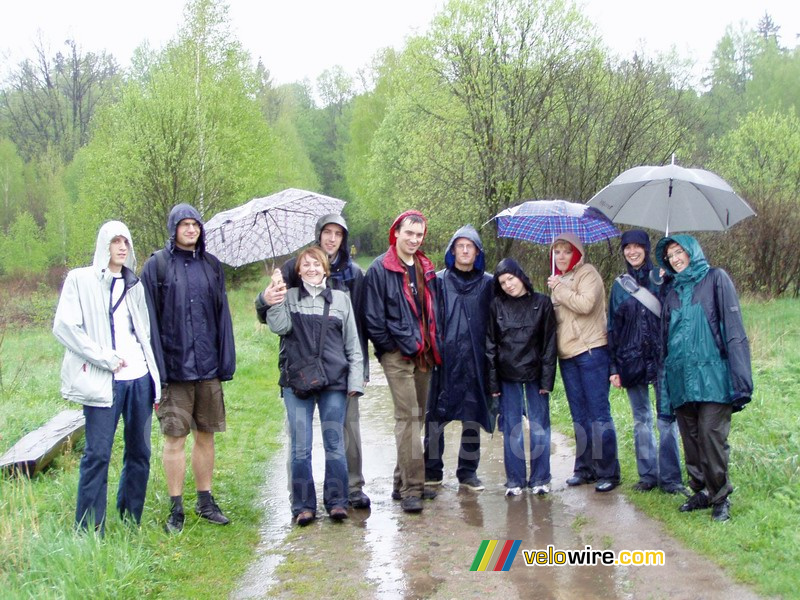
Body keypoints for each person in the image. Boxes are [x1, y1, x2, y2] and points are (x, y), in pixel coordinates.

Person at [53, 221, 161, 534]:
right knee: (98, 454)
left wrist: (154, 378)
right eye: (115, 241)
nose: (122, 247)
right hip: (104, 382)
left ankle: (130, 519)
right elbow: (65, 327)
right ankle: (88, 528)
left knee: (140, 452)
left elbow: (143, 332)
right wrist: (105, 358)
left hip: (139, 379)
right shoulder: (80, 280)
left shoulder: (134, 284)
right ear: (104, 245)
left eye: (126, 241)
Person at [141, 204, 236, 534]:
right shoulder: (157, 266)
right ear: (173, 228)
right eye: (185, 225)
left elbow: (222, 315)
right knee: (174, 439)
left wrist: (225, 361)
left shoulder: (211, 266)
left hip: (207, 368)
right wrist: (158, 368)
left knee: (206, 436)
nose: (191, 230)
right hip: (174, 369)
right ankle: (175, 508)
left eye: (195, 224)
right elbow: (147, 320)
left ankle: (206, 501)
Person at [268, 214, 371, 509]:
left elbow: (354, 339)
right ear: (298, 271)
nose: (332, 237)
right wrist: (273, 295)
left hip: (334, 379)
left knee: (336, 444)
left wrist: (357, 377)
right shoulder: (288, 294)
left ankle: (338, 500)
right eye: (328, 232)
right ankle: (302, 506)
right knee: (300, 447)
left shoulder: (344, 294)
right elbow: (278, 326)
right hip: (297, 378)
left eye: (338, 233)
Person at [655, 234, 752, 522]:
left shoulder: (716, 279)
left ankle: (720, 496)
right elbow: (665, 341)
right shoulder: (671, 292)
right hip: (681, 377)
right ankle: (700, 491)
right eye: (670, 255)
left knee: (711, 437)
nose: (675, 258)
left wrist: (740, 377)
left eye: (679, 252)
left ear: (692, 252)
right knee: (691, 439)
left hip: (713, 377)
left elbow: (733, 327)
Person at [363, 210, 441, 513]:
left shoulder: (424, 266)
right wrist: (389, 348)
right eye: (409, 233)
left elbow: (430, 310)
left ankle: (400, 482)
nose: (413, 239)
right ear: (396, 232)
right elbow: (372, 317)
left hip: (423, 352)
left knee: (416, 417)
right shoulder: (380, 268)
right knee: (407, 418)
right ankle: (413, 489)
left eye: (419, 235)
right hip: (397, 354)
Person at [607, 230, 684, 494]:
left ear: (647, 249)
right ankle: (648, 475)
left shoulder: (662, 278)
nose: (632, 252)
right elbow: (612, 329)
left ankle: (672, 479)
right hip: (631, 359)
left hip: (663, 358)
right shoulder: (619, 286)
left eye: (638, 246)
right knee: (641, 419)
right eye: (627, 247)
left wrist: (670, 278)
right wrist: (614, 368)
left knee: (667, 419)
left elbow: (677, 309)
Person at [546, 233, 621, 492]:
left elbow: (586, 305)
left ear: (577, 253)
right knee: (579, 414)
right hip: (567, 356)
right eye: (557, 252)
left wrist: (559, 288)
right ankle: (584, 468)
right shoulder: (558, 280)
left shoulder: (588, 274)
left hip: (591, 352)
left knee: (598, 414)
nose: (561, 256)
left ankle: (608, 471)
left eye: (567, 251)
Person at [423, 225, 494, 492]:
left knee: (473, 414)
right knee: (436, 416)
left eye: (470, 247)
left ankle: (467, 472)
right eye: (460, 246)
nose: (465, 251)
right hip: (445, 358)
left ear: (477, 252)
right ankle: (431, 470)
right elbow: (428, 317)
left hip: (476, 358)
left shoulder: (488, 283)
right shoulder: (439, 281)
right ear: (452, 250)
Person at [487, 258, 557, 497]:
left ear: (521, 276)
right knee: (512, 429)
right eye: (503, 282)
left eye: (511, 279)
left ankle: (541, 478)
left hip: (536, 375)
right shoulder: (496, 306)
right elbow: (491, 346)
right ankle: (515, 480)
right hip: (507, 376)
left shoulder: (543, 303)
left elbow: (549, 345)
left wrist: (547, 381)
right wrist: (493, 382)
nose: (508, 285)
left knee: (539, 428)